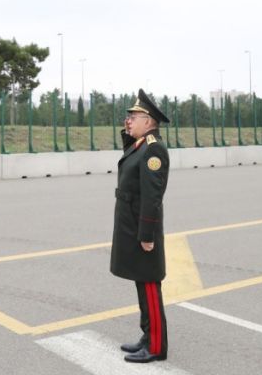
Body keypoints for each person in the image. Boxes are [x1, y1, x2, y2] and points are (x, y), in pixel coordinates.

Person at [110, 88, 170, 363]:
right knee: (141, 283)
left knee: (149, 286)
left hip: (142, 228)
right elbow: (129, 161)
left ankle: (156, 346)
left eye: (133, 117)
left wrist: (147, 235)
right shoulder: (141, 145)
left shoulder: (154, 149)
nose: (128, 120)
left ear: (148, 121)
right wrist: (128, 134)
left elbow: (152, 196)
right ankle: (147, 337)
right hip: (131, 225)